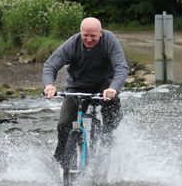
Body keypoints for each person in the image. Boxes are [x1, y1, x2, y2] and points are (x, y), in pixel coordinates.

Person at [42, 17, 128, 165]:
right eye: (85, 35)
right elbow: (50, 65)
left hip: (104, 84)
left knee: (112, 105)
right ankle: (62, 159)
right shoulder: (73, 44)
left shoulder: (109, 40)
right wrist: (49, 85)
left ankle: (108, 134)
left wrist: (113, 88)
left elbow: (121, 67)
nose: (88, 39)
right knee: (64, 123)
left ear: (100, 33)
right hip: (77, 86)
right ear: (80, 33)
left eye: (93, 36)